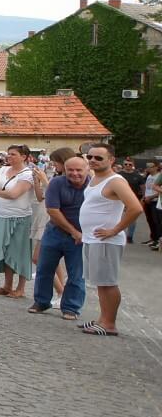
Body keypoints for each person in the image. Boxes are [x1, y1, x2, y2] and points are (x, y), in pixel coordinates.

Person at [78, 143, 144, 336]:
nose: (93, 160)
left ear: (111, 160)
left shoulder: (116, 181)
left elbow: (135, 208)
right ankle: (103, 318)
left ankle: (109, 323)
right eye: (90, 157)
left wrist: (114, 230)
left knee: (108, 282)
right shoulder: (95, 178)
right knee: (100, 282)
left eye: (99, 158)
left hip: (105, 240)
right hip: (92, 238)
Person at [31, 155, 88, 318]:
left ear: (87, 170)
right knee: (44, 268)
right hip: (55, 231)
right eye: (70, 170)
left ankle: (71, 307)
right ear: (65, 169)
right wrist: (73, 231)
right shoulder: (57, 183)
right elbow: (53, 210)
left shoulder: (93, 186)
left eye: (79, 170)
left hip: (81, 236)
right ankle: (41, 302)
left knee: (76, 274)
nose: (75, 173)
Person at [0, 144, 38, 299]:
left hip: (19, 217)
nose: (9, 156)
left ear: (24, 157)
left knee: (19, 251)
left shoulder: (27, 174)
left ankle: (21, 288)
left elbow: (14, 194)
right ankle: (7, 285)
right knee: (5, 250)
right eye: (8, 154)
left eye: (13, 154)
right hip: (1, 215)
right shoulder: (3, 170)